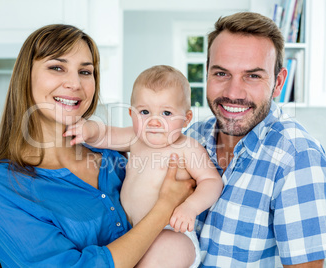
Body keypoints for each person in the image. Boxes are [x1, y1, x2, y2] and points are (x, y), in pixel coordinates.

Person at [0, 24, 195, 268]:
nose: (74, 83)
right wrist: (165, 206)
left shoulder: (115, 159)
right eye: (57, 67)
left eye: (85, 72)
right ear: (26, 76)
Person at [183, 12, 326, 267]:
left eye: (252, 76)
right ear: (206, 73)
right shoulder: (192, 136)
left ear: (278, 83)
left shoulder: (297, 156)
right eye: (221, 74)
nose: (233, 92)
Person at [64, 65, 224, 268]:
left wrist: (190, 208)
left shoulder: (187, 147)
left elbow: (211, 181)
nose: (154, 122)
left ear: (187, 118)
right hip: (135, 235)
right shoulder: (135, 137)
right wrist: (88, 129)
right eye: (145, 112)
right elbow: (105, 136)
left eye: (166, 113)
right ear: (131, 113)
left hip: (172, 233)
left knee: (168, 247)